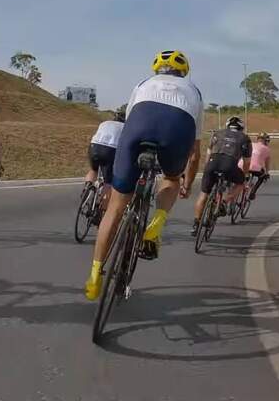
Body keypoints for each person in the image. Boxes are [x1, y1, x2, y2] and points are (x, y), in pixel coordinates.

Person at [84, 50, 203, 300]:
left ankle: (95, 275)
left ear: (156, 69)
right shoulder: (194, 91)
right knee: (170, 179)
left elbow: (129, 123)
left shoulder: (143, 84)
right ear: (183, 72)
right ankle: (156, 224)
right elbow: (195, 152)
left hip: (138, 126)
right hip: (177, 128)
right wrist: (187, 182)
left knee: (115, 208)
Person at [191, 116, 252, 235]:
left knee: (203, 194)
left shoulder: (217, 133)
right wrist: (245, 175)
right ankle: (224, 201)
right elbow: (246, 162)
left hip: (212, 163)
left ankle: (196, 224)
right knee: (240, 183)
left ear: (227, 125)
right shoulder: (245, 138)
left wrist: (207, 168)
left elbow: (208, 152)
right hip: (229, 164)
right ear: (241, 128)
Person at [83, 110, 125, 203]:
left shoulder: (104, 123)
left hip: (94, 146)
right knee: (108, 182)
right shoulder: (125, 126)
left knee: (94, 170)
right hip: (110, 149)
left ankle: (87, 187)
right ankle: (103, 206)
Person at [240, 132, 271, 200]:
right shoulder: (267, 149)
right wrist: (267, 173)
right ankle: (253, 192)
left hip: (242, 165)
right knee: (262, 177)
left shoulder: (251, 144)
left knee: (241, 176)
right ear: (266, 141)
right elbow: (267, 164)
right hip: (255, 168)